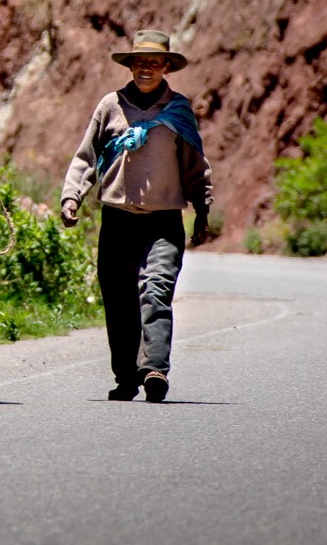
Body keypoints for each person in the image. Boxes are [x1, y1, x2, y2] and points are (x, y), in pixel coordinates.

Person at [60, 29, 212, 403]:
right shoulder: (110, 106)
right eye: (140, 62)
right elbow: (86, 157)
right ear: (130, 66)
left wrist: (203, 208)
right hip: (117, 220)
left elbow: (195, 163)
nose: (147, 69)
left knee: (157, 289)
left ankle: (155, 368)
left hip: (163, 222)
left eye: (154, 63)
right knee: (118, 299)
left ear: (166, 67)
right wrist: (72, 197)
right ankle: (126, 377)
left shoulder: (178, 110)